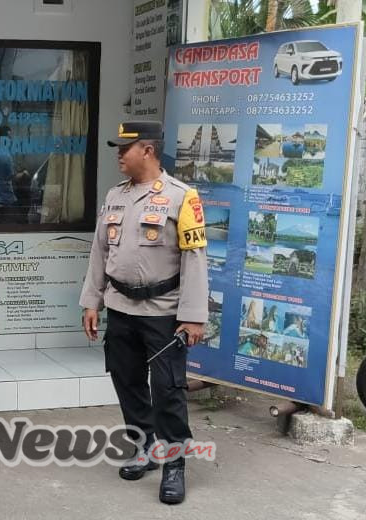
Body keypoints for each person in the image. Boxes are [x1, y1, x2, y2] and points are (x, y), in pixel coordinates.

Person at [79, 121, 208, 505]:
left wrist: (193, 315)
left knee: (167, 389)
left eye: (125, 148)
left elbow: (195, 259)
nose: (119, 155)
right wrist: (92, 300)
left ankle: (174, 464)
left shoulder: (182, 197)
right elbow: (100, 251)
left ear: (148, 150)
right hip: (121, 308)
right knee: (127, 380)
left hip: (163, 312)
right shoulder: (115, 196)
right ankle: (145, 445)